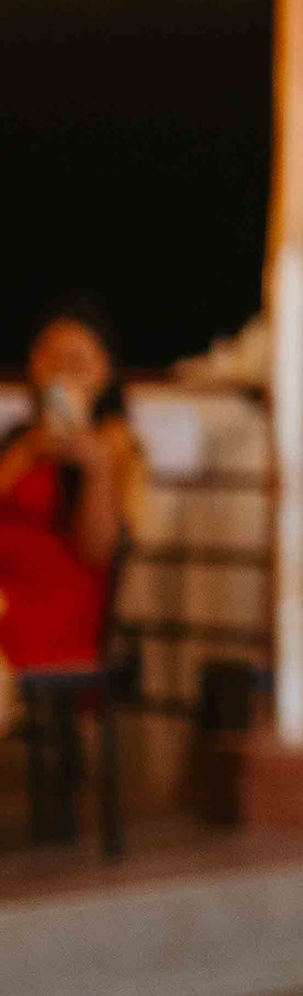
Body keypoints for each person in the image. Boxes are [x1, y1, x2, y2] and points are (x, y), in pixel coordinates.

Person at [0, 300, 143, 714]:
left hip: (54, 615)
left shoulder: (115, 446)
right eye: (50, 358)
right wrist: (27, 454)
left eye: (77, 361)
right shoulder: (20, 442)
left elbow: (97, 552)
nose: (61, 371)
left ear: (105, 371)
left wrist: (95, 469)